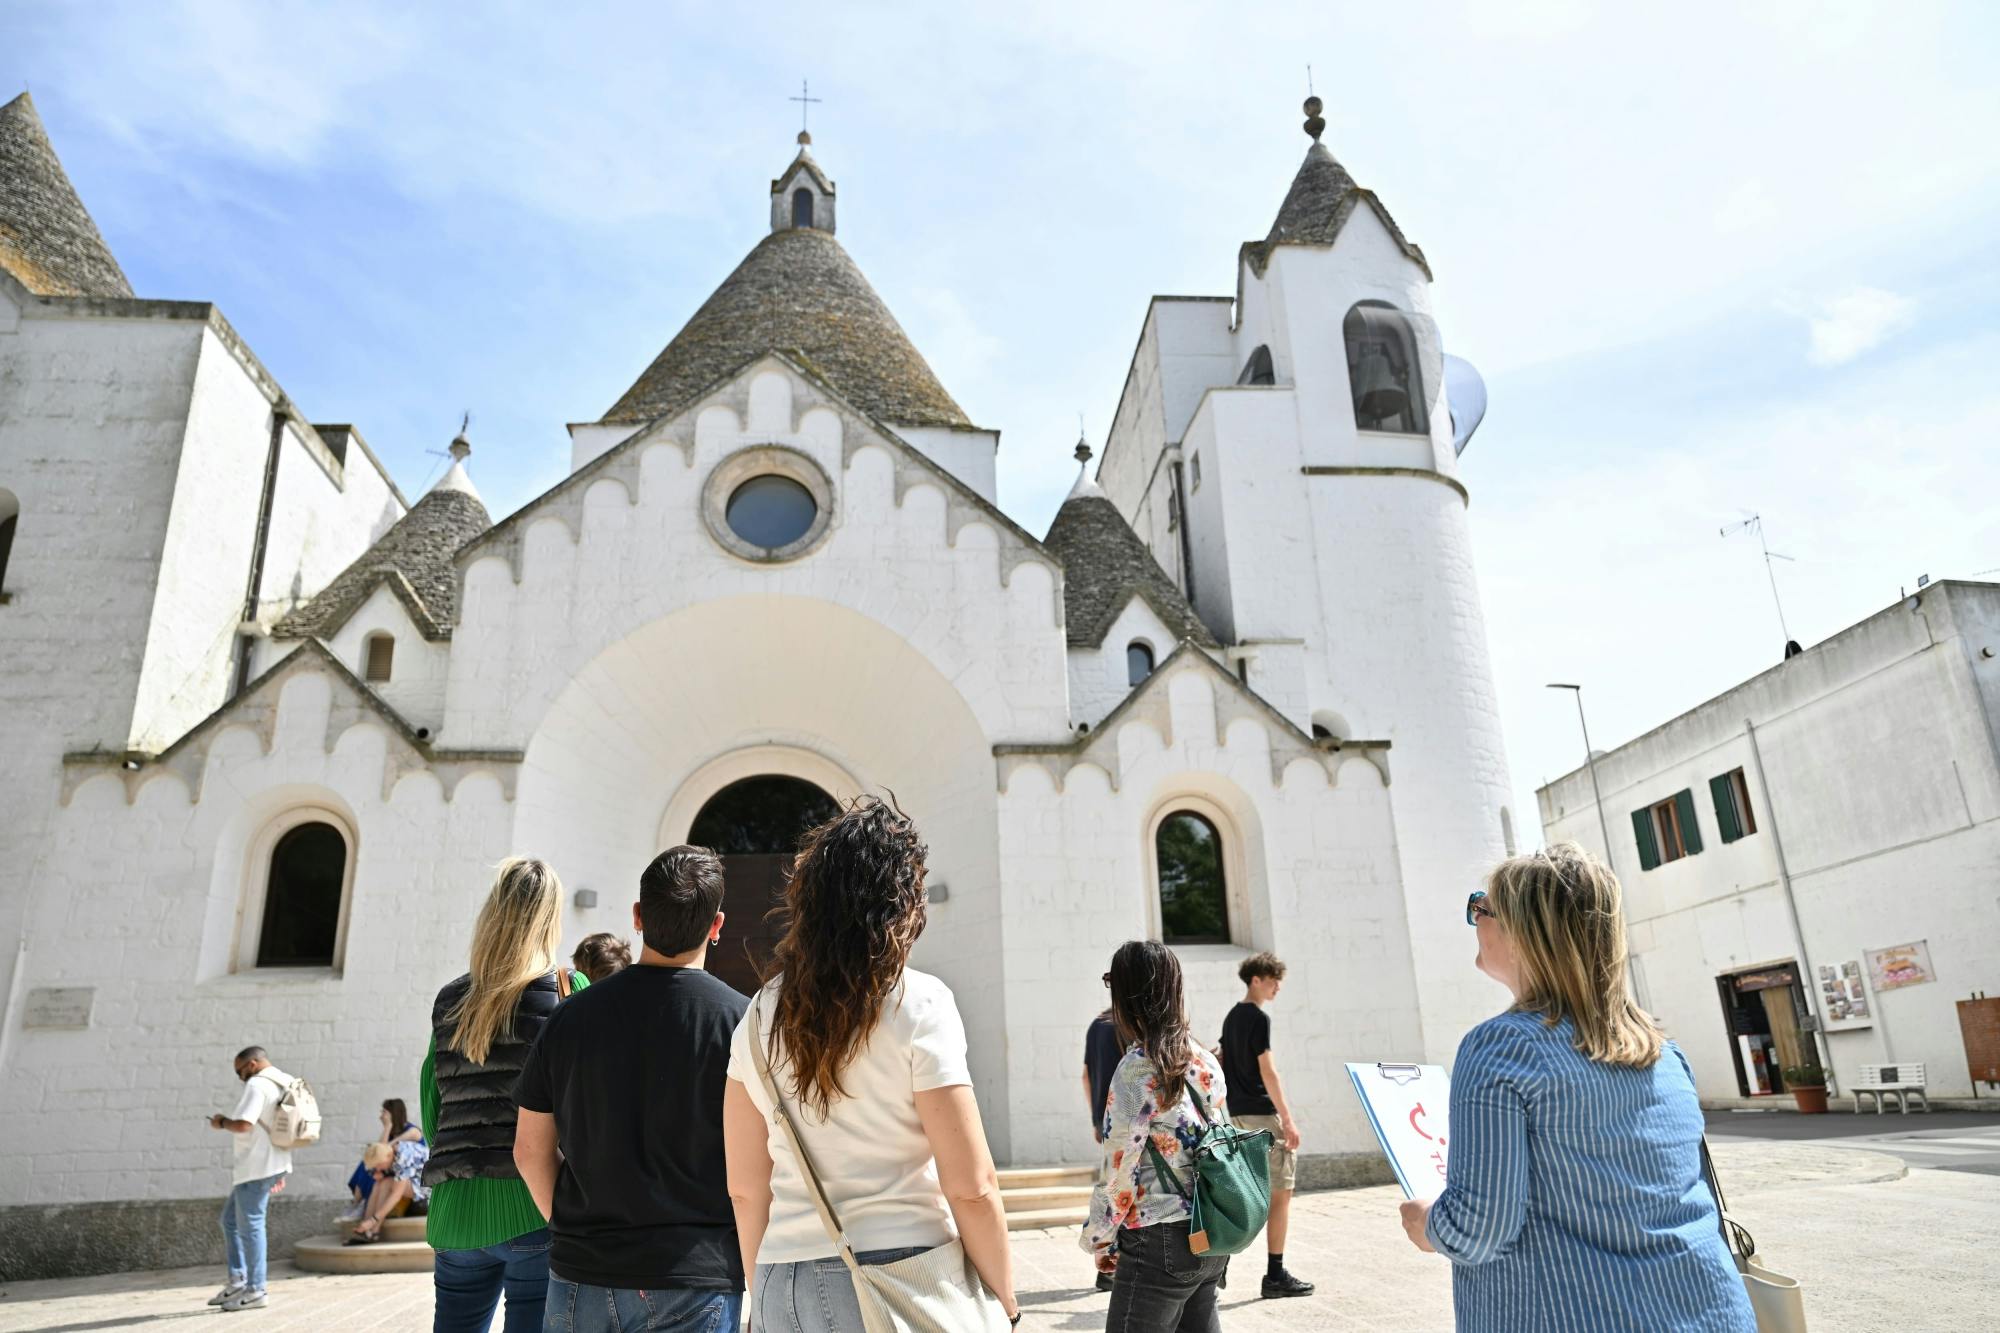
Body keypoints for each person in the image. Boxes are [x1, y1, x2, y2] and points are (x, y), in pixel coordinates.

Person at [1397, 844, 1756, 1333]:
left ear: (1526, 932)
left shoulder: (1501, 1046)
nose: (1475, 920)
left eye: (1483, 907)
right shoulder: (1666, 1054)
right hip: (1711, 1311)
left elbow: (1479, 1229)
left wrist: (1428, 1223)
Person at [722, 797, 1020, 1331]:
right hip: (901, 1271)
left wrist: (763, 1292)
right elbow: (972, 1187)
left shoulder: (758, 1014)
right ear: (901, 904)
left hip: (778, 1275)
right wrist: (1005, 1299)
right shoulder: (919, 1003)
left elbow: (745, 1187)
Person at [514, 847, 749, 1329]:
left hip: (583, 1270)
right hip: (696, 1272)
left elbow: (528, 1150)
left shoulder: (569, 1017)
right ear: (717, 925)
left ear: (638, 916)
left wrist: (568, 1226)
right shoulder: (742, 1022)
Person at [421, 857, 586, 1333]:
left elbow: (433, 1106)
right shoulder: (566, 990)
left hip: (454, 1212)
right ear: (550, 919)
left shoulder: (450, 1000)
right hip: (533, 1204)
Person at [1082, 941, 1231, 1331]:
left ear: (1126, 996)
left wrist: (1099, 1238)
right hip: (1210, 1234)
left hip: (1158, 1240)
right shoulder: (1203, 1058)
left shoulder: (1137, 1068)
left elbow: (1120, 1166)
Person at [1218, 952, 1313, 1298]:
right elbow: (1268, 1071)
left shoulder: (1230, 1019)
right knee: (1280, 1196)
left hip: (1239, 1114)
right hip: (1262, 1113)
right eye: (1273, 981)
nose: (1276, 988)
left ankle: (1219, 1263)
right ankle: (1275, 1275)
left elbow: (1220, 1060)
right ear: (1255, 979)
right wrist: (1287, 1119)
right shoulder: (1258, 1018)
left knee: (1245, 1192)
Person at [205, 1045, 293, 1313]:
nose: (241, 1077)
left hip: (256, 1166)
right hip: (273, 1162)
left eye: (240, 1072)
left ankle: (256, 1288)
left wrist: (221, 1122)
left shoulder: (258, 1084)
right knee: (229, 1220)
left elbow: (244, 1123)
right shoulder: (285, 1080)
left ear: (252, 1064)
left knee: (251, 1226)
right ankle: (239, 1279)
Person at [348, 1099, 431, 1245]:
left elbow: (395, 1195)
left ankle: (372, 1230)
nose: (378, 1169)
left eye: (379, 1166)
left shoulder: (403, 1156)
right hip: (414, 1181)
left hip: (431, 1189)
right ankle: (366, 1230)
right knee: (379, 1183)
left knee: (387, 1184)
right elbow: (381, 1150)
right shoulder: (391, 1153)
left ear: (388, 1156)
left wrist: (374, 1219)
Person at [1081, 1007, 1121, 1293]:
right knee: (1121, 1190)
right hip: (1128, 1120)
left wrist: (1096, 1118)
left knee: (1110, 1187)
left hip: (1106, 1121)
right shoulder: (1131, 1025)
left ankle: (1105, 1266)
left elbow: (1086, 1076)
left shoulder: (1097, 1024)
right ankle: (1109, 1265)